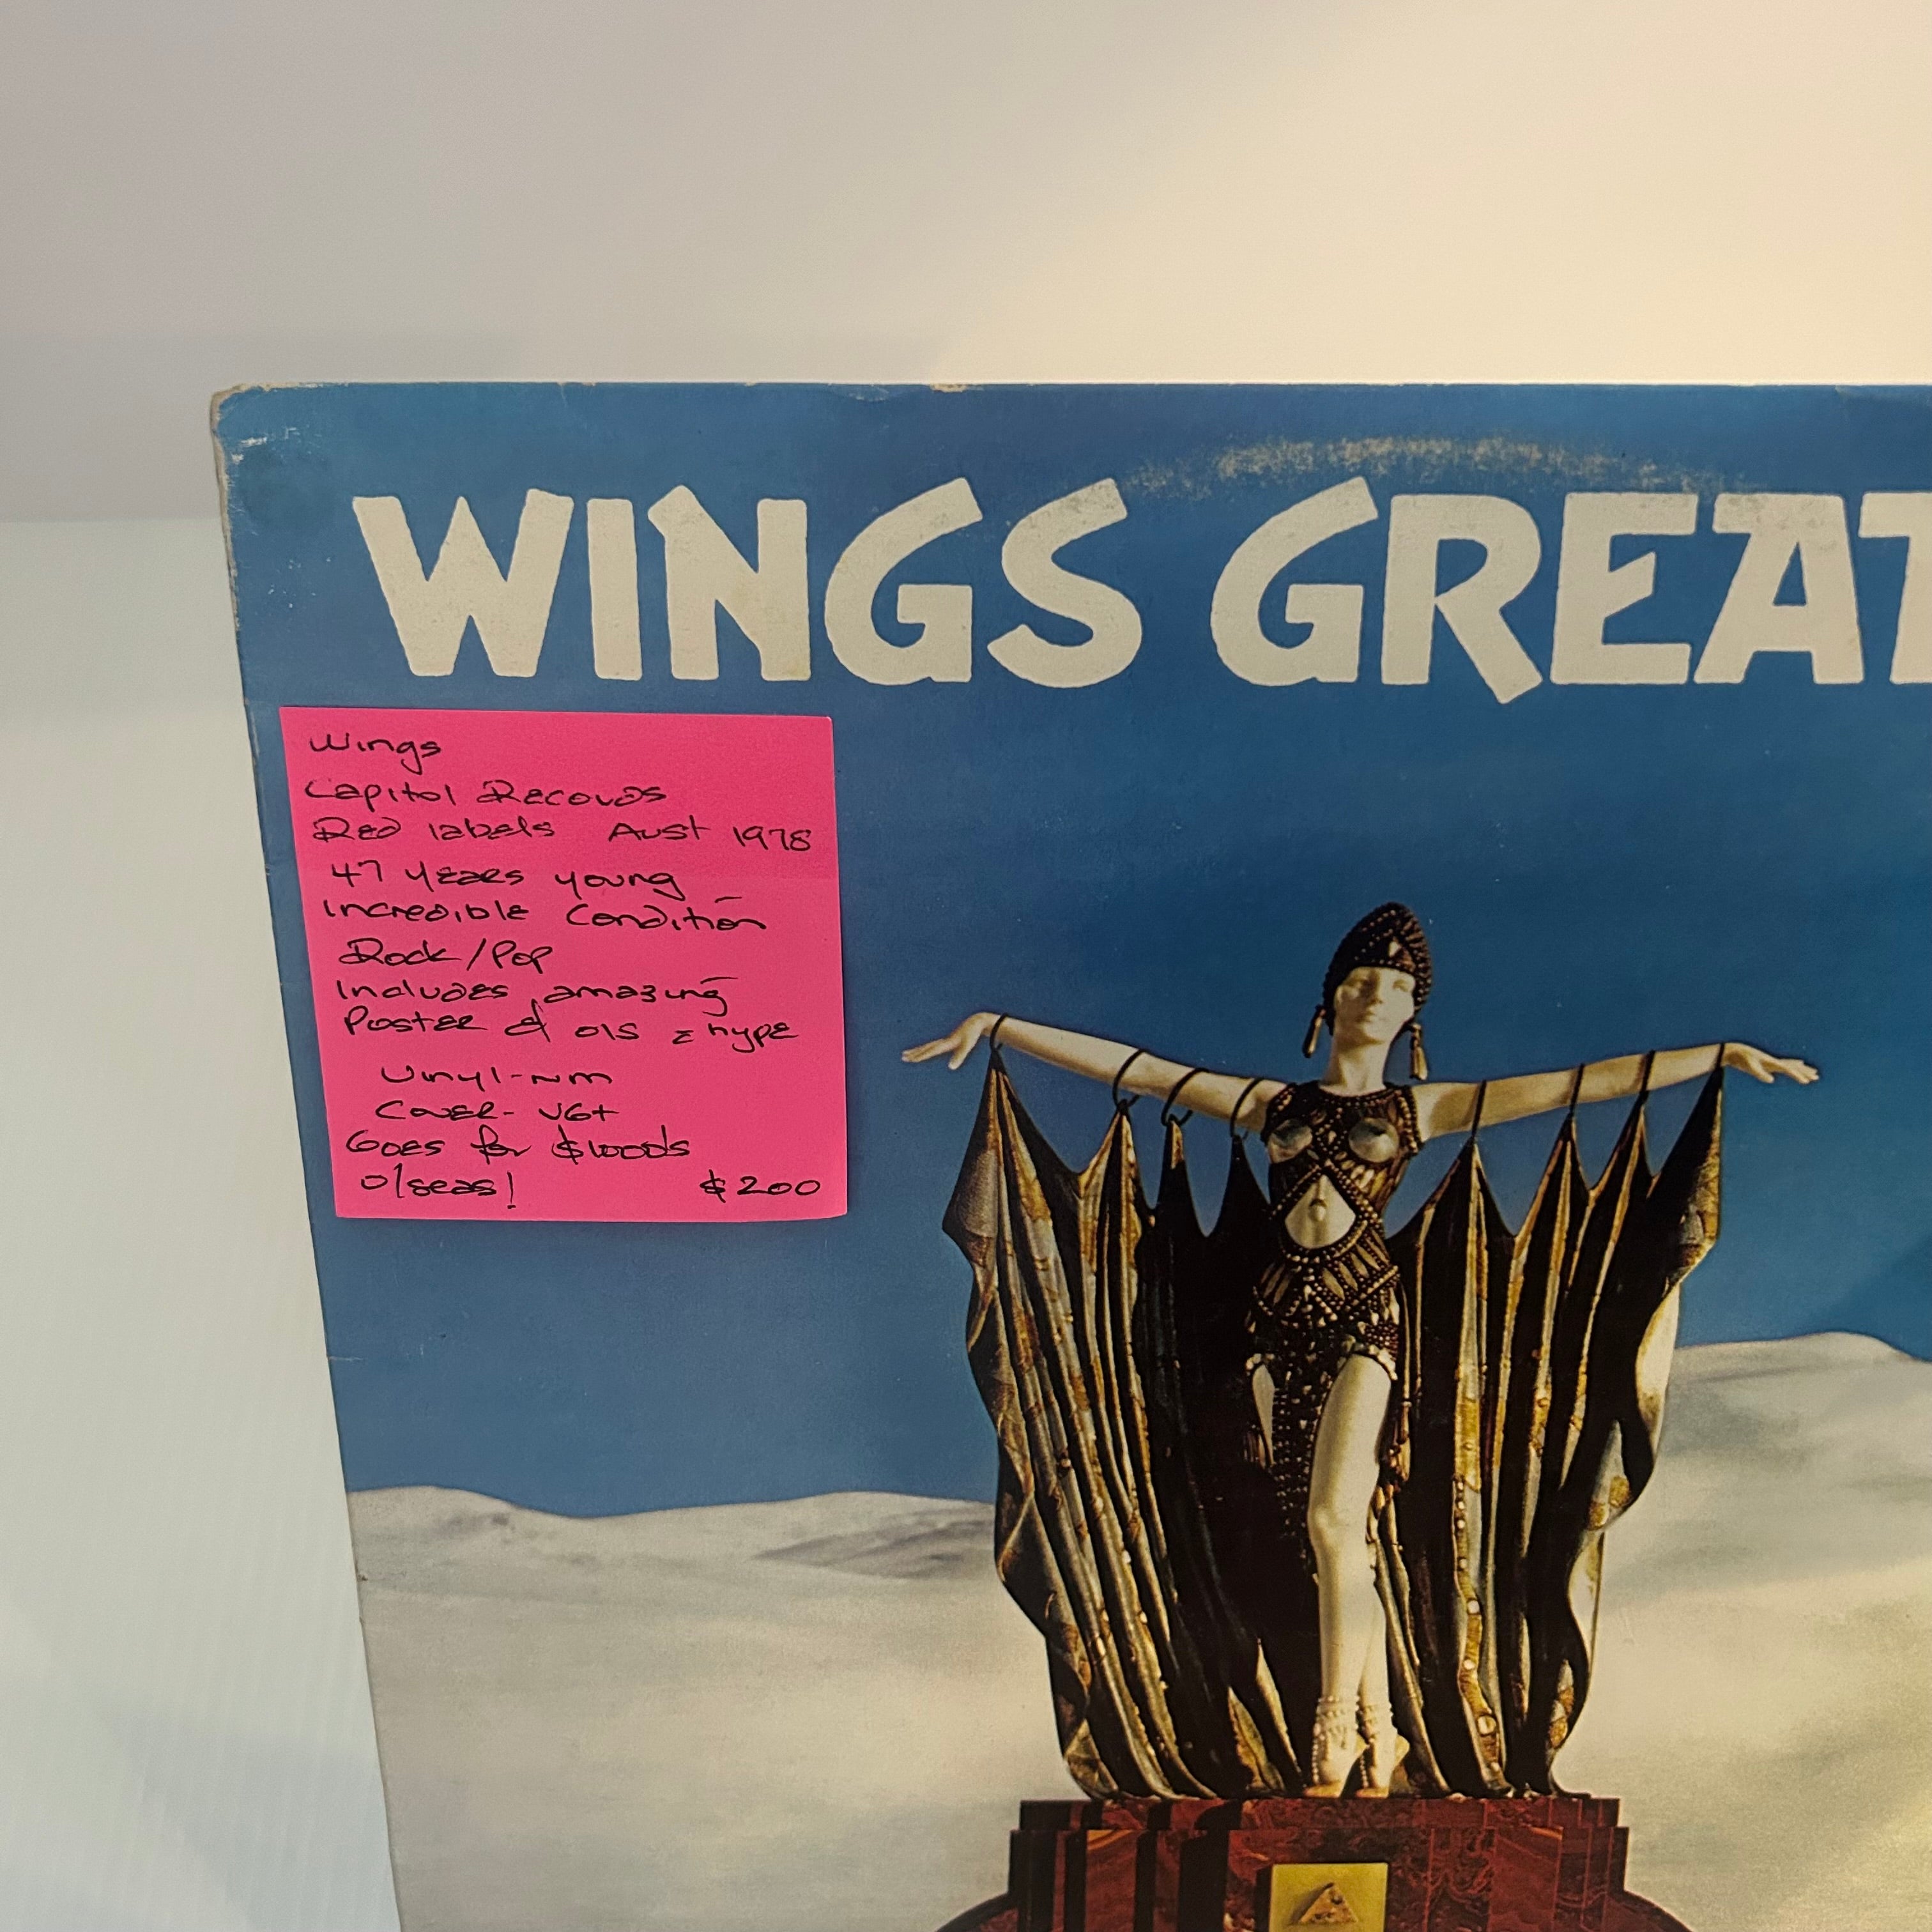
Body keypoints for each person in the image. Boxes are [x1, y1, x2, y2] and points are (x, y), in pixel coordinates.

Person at [905, 903, 1815, 1798]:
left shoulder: (1421, 1106)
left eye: (1397, 986)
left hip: (1363, 1320)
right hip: (1271, 1329)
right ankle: (1384, 1735)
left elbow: (1579, 1084)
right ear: (1330, 999)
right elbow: (1143, 1071)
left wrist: (1718, 1056)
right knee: (1333, 1544)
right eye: (1361, 980)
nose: (1377, 995)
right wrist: (1003, 1028)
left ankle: (1333, 1733)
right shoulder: (1272, 1104)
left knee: (1336, 1524)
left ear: (1413, 1016)